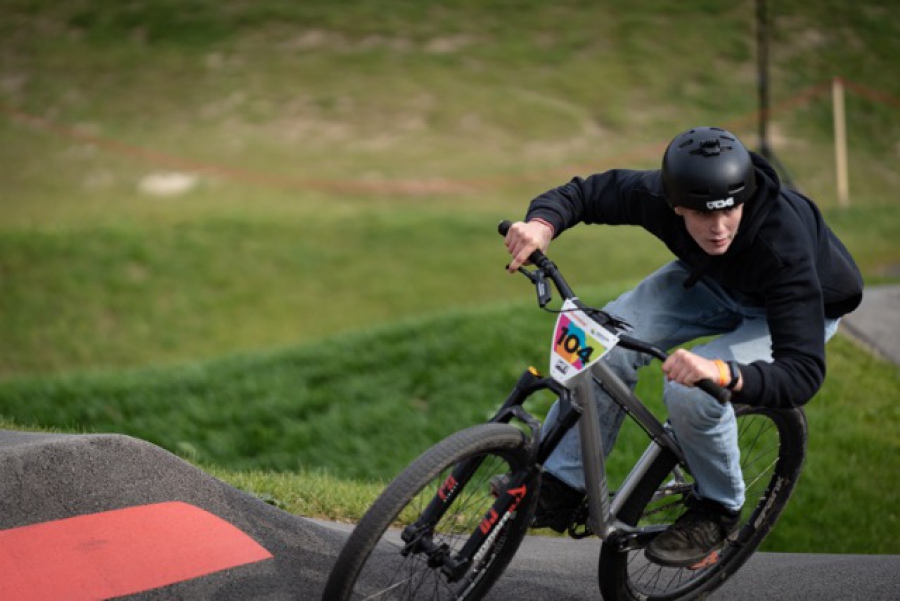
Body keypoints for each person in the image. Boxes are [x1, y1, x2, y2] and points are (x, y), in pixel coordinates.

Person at [503, 126, 863, 568]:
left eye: (730, 210)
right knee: (597, 340)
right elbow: (585, 194)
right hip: (712, 280)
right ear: (675, 206)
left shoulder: (783, 244)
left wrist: (723, 373)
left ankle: (717, 509)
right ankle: (562, 484)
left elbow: (803, 372)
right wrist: (540, 225)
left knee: (693, 390)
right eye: (702, 215)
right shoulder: (657, 194)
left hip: (789, 308)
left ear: (746, 197)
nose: (719, 228)